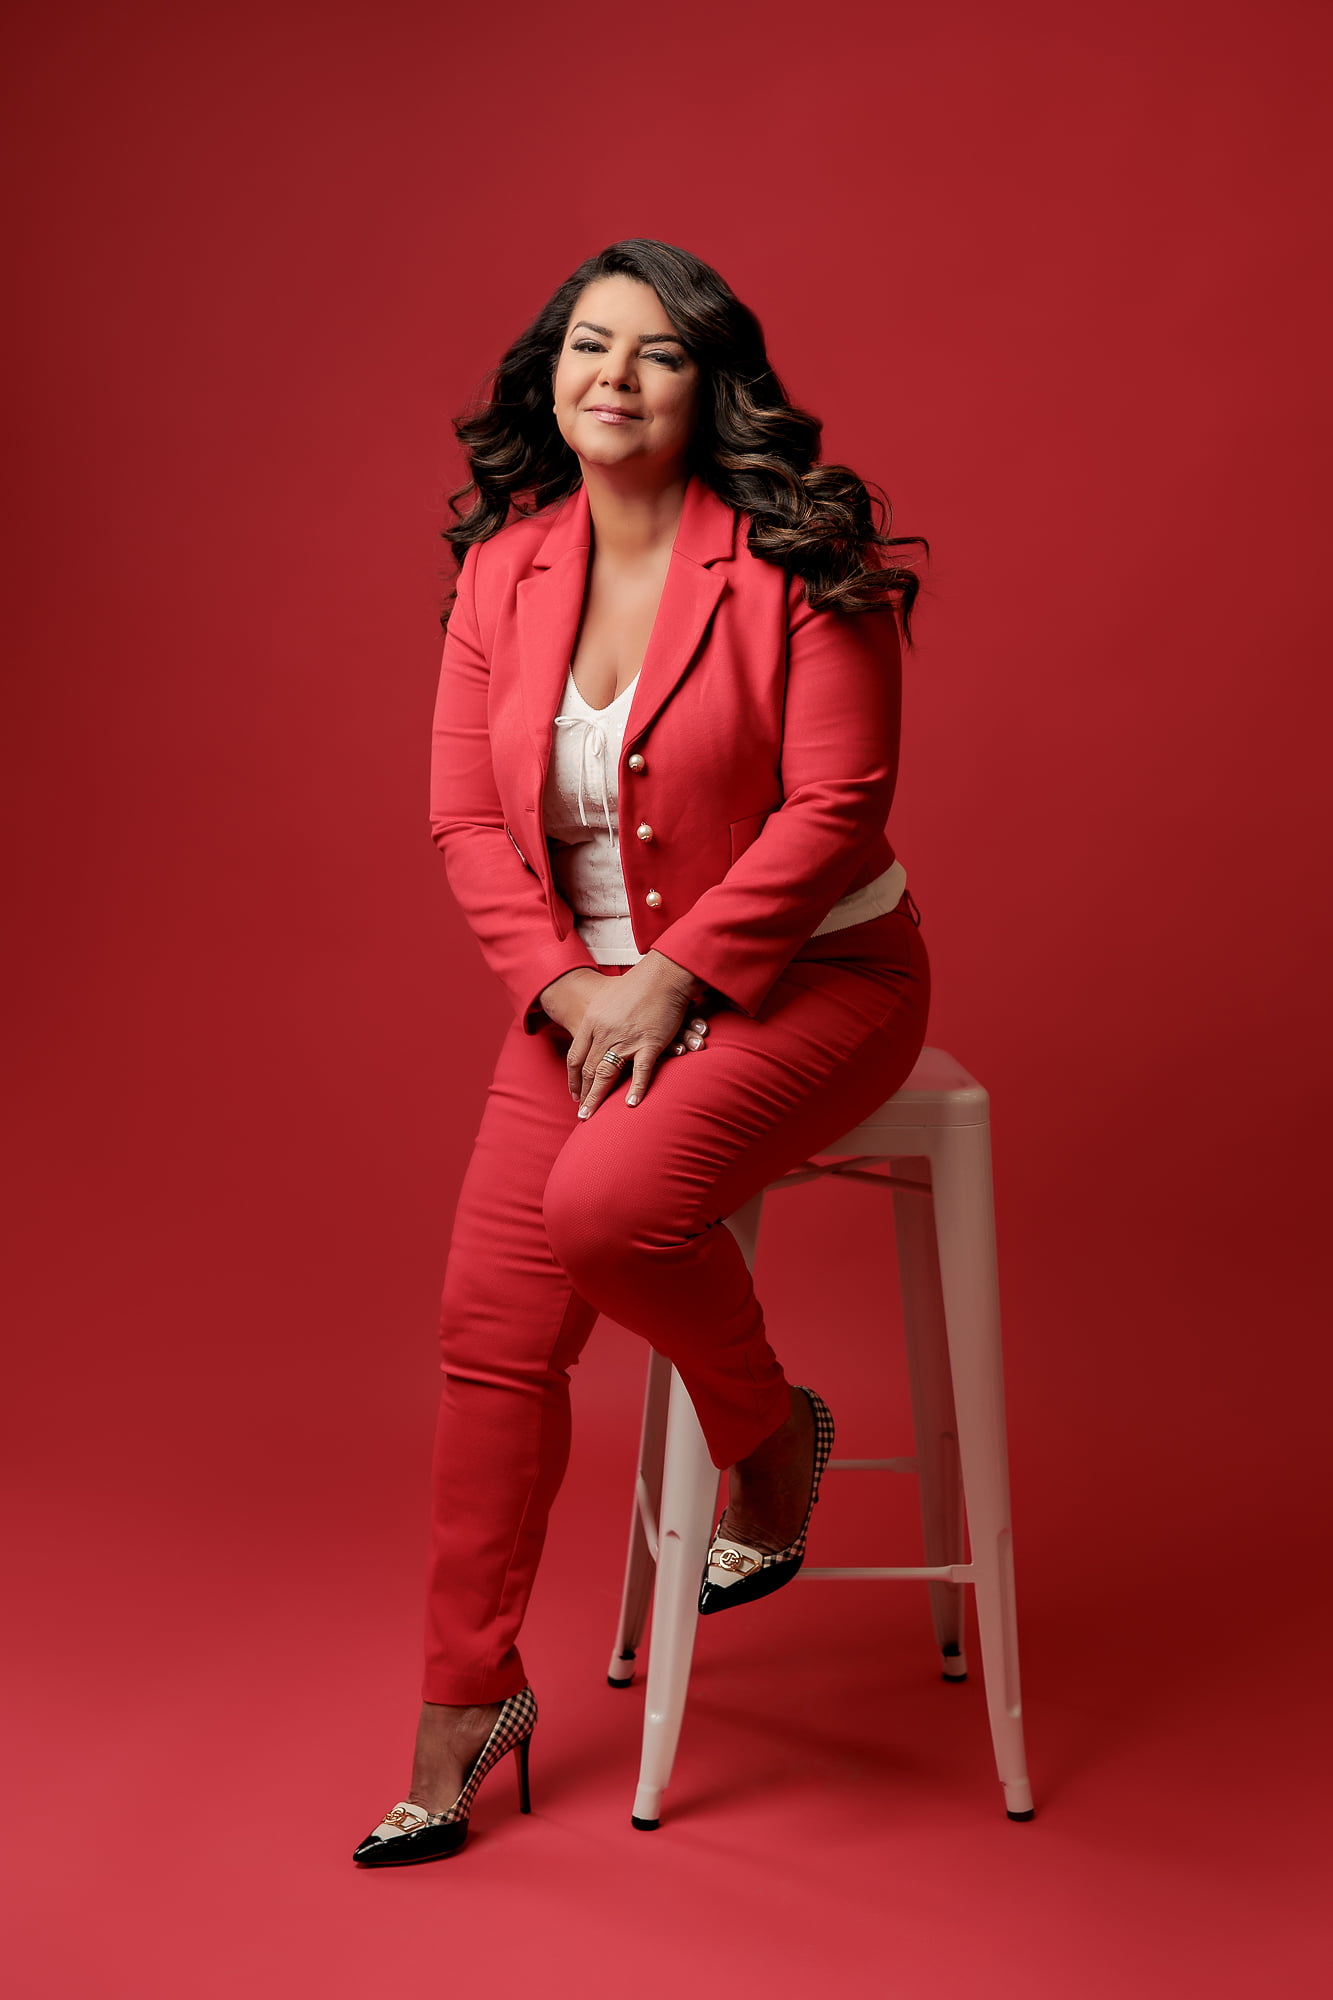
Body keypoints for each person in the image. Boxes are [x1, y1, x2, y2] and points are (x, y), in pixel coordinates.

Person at [352, 239, 931, 1866]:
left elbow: (837, 810)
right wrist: (566, 985)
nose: (612, 373)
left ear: (709, 385)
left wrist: (672, 978)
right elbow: (466, 818)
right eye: (586, 344)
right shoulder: (503, 570)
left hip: (808, 976)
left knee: (607, 1212)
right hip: (585, 1001)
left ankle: (767, 1437)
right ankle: (464, 1705)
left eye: (655, 352)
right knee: (488, 1338)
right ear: (550, 374)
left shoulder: (802, 556)